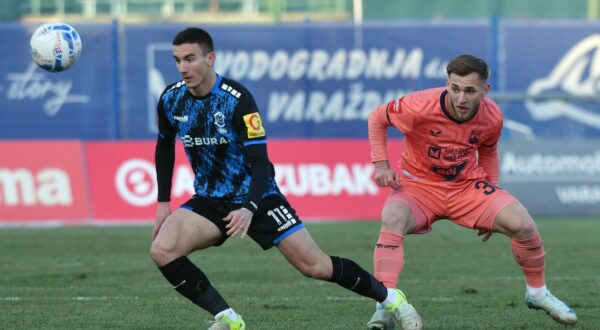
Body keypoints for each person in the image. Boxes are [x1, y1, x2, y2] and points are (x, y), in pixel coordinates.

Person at [149, 27, 423, 330]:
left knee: (315, 266)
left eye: (190, 59)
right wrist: (163, 203)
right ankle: (228, 320)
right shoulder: (171, 99)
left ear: (210, 58)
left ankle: (393, 302)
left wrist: (249, 207)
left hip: (260, 197)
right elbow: (164, 147)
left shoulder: (237, 100)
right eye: (177, 60)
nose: (183, 68)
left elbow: (261, 163)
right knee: (162, 249)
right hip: (210, 200)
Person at [365, 54, 577, 329]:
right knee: (392, 219)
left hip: (466, 188)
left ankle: (537, 293)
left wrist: (493, 198)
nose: (461, 97)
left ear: (484, 91)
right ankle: (385, 304)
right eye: (454, 88)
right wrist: (381, 165)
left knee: (522, 223)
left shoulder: (492, 117)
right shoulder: (418, 106)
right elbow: (377, 117)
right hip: (418, 186)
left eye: (469, 90)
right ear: (447, 84)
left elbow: (487, 152)